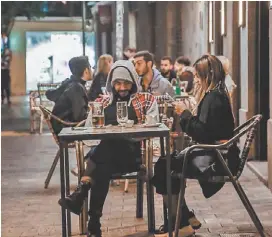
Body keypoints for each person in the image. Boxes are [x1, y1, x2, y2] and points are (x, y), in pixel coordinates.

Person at [58, 60, 159, 237]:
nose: (122, 88)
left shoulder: (146, 100)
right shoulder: (101, 103)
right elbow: (90, 132)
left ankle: (82, 193)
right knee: (103, 162)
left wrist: (126, 131)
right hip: (107, 160)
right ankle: (93, 222)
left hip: (133, 157)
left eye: (126, 83)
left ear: (134, 83)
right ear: (111, 83)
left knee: (105, 150)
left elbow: (151, 129)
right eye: (118, 83)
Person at [152, 54, 240, 237]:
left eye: (198, 77)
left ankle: (181, 221)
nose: (197, 81)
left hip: (216, 160)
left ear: (207, 76)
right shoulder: (216, 94)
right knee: (167, 163)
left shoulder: (214, 97)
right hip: (217, 154)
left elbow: (202, 133)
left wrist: (184, 113)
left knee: (163, 166)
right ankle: (183, 218)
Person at [50, 56, 93, 135]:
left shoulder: (72, 84)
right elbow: (79, 116)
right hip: (66, 129)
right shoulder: (76, 88)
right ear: (86, 70)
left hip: (62, 126)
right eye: (90, 67)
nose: (92, 70)